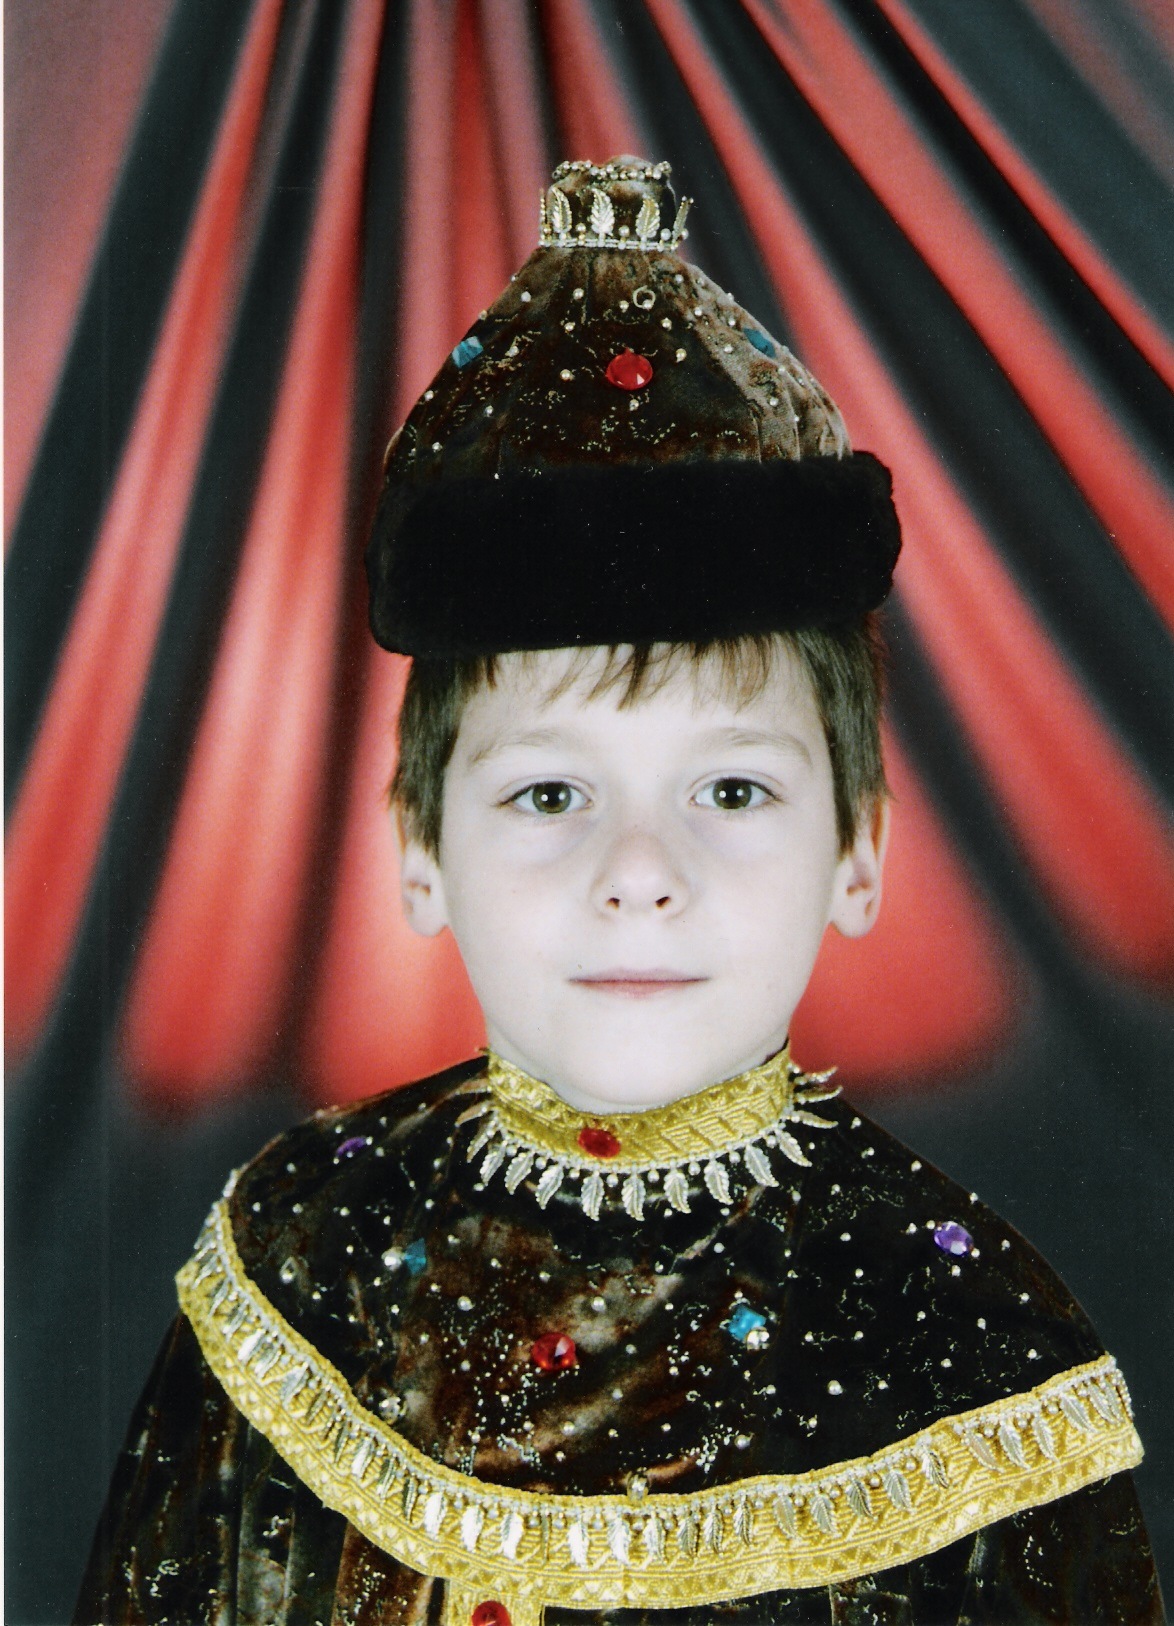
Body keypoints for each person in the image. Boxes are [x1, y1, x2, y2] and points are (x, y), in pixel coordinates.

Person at [76, 158, 1163, 1625]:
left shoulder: (973, 1347)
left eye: (732, 791)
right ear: (419, 848)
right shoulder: (301, 1265)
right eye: (549, 795)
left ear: (857, 851)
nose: (639, 876)